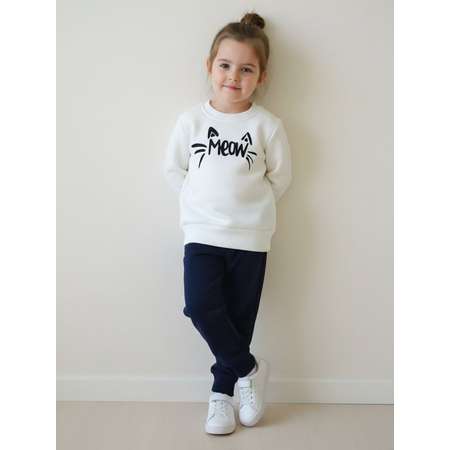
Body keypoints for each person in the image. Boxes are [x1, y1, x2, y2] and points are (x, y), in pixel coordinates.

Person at [163, 11, 292, 435]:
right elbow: (174, 170)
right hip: (201, 234)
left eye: (246, 69)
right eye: (225, 65)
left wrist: (249, 210)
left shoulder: (267, 126)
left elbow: (280, 178)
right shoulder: (192, 121)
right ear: (209, 66)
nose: (233, 76)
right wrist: (201, 204)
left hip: (251, 238)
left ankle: (221, 396)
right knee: (200, 306)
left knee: (239, 317)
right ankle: (249, 368)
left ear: (261, 76)